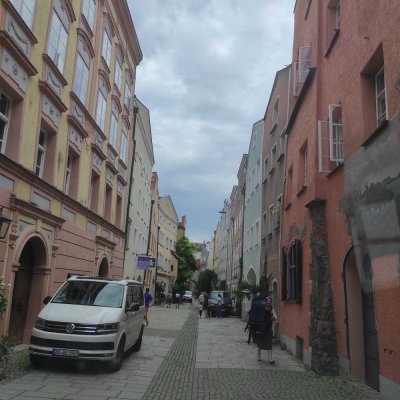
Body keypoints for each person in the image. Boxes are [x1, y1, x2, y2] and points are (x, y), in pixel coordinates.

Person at [252, 296, 276, 363]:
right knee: (260, 343)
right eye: (268, 301)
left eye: (270, 301)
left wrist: (273, 317)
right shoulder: (261, 308)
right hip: (261, 328)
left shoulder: (272, 309)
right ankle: (258, 355)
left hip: (268, 328)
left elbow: (275, 318)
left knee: (269, 343)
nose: (269, 302)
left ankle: (270, 359)